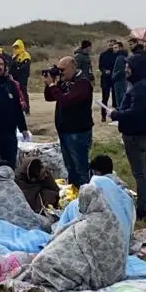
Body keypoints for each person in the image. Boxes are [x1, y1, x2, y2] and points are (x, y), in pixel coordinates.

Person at [109, 52, 146, 220]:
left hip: (136, 134)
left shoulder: (141, 88)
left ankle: (143, 210)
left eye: (129, 66)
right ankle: (143, 207)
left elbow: (135, 112)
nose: (126, 69)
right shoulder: (143, 84)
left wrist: (116, 114)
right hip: (139, 132)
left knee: (140, 173)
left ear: (137, 68)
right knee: (141, 172)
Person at [44, 55, 94, 186]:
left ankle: (86, 196)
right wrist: (50, 83)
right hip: (65, 130)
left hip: (78, 132)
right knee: (70, 168)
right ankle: (74, 196)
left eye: (63, 69)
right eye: (58, 69)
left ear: (73, 67)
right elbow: (49, 97)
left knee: (81, 169)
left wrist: (52, 86)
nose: (60, 72)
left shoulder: (82, 83)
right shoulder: (64, 81)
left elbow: (66, 101)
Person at [97, 40, 120, 122]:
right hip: (105, 79)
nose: (111, 47)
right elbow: (100, 66)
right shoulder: (103, 54)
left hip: (114, 79)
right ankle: (103, 116)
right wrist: (104, 71)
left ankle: (115, 116)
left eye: (112, 45)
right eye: (109, 45)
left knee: (115, 99)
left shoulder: (117, 55)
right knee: (105, 98)